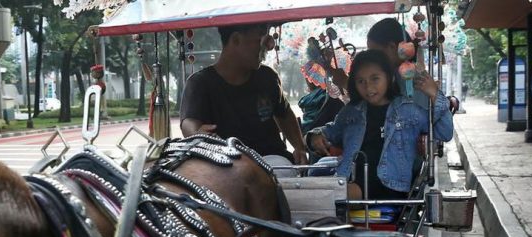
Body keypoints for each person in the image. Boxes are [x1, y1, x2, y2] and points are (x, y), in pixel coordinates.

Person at [306, 50, 454, 200]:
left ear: (389, 78)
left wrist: (435, 95)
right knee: (307, 191)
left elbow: (445, 132)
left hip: (389, 187)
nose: (368, 87)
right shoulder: (352, 111)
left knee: (316, 198)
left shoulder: (408, 111)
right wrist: (315, 136)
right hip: (349, 182)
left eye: (375, 79)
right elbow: (330, 132)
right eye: (361, 81)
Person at [180, 23, 307, 166]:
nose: (270, 45)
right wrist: (196, 134)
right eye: (261, 35)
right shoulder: (200, 83)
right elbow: (189, 122)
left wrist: (300, 148)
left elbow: (284, 114)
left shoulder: (268, 77)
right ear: (236, 40)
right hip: (227, 164)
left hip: (271, 162)